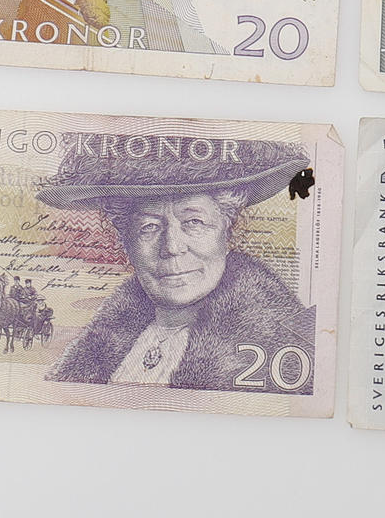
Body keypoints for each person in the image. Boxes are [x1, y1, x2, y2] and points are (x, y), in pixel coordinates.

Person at [36, 134, 316, 394]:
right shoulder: (102, 344)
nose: (171, 247)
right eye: (149, 226)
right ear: (127, 242)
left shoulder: (282, 346)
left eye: (194, 222)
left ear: (227, 231)